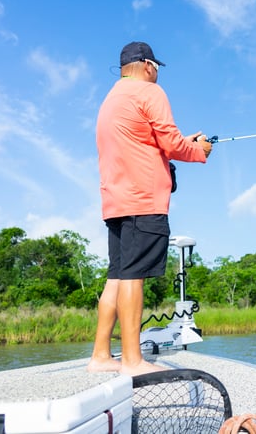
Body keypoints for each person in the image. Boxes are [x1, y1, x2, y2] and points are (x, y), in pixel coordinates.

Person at [87, 41, 213, 376]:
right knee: (133, 277)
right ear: (147, 65)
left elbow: (147, 140)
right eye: (156, 66)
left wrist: (184, 142)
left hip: (115, 202)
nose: (156, 72)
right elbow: (172, 144)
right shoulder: (150, 93)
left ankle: (101, 355)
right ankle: (131, 360)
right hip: (142, 199)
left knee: (116, 276)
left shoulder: (111, 100)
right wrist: (200, 149)